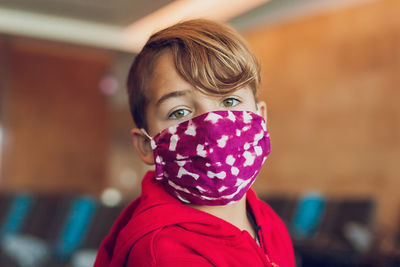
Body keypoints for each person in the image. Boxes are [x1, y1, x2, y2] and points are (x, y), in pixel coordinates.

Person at [94, 19, 295, 267]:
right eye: (179, 112)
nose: (212, 128)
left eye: (230, 101)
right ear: (147, 146)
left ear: (261, 119)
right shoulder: (160, 253)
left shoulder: (269, 222)